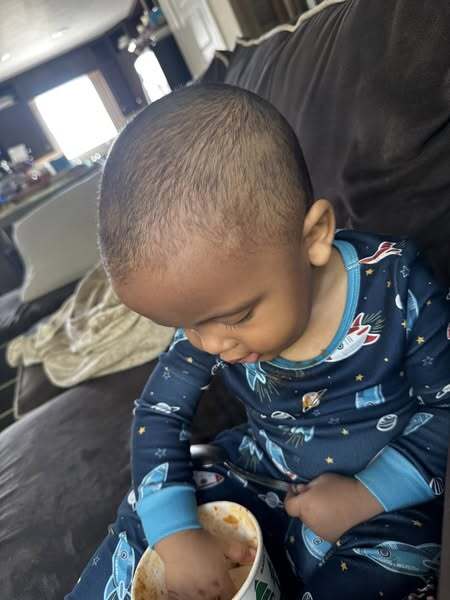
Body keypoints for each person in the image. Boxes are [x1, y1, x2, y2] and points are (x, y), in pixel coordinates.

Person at [67, 83, 450, 600]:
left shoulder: (399, 284)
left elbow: (445, 408)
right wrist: (176, 535)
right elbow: (158, 415)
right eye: (188, 325)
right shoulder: (211, 319)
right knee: (152, 505)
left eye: (237, 317)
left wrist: (367, 494)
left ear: (313, 237)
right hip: (266, 474)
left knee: (398, 559)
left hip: (385, 498)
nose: (209, 344)